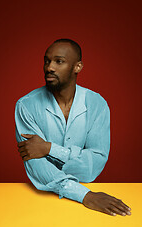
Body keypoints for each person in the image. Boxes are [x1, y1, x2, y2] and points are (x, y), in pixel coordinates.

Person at [15, 38, 131, 216]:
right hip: (41, 204)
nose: (49, 68)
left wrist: (49, 149)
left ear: (77, 67)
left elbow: (95, 164)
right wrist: (85, 196)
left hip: (86, 208)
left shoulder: (97, 103)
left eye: (58, 61)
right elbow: (37, 167)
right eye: (47, 61)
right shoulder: (26, 106)